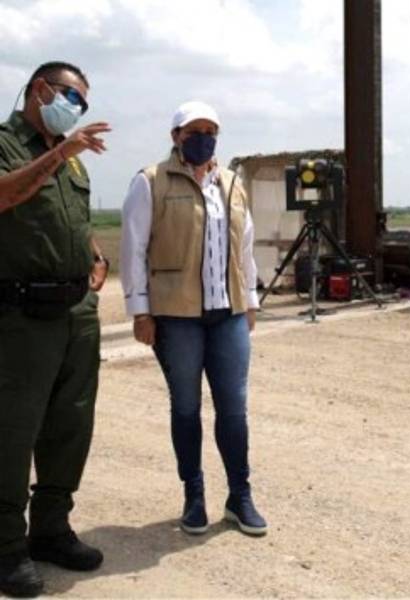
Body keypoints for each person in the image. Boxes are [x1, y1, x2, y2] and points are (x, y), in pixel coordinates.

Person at [120, 101, 266, 537]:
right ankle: (194, 496)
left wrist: (251, 301)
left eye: (210, 129)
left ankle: (240, 497)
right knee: (185, 407)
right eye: (194, 130)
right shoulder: (151, 182)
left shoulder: (232, 183)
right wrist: (140, 311)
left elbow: (244, 249)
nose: (203, 137)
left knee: (234, 410)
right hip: (176, 315)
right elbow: (133, 250)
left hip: (229, 314)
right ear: (176, 137)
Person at [0, 61, 111, 597]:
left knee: (70, 428)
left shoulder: (72, 165)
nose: (77, 110)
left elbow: (74, 220)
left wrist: (95, 257)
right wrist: (59, 153)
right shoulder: (9, 145)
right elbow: (3, 196)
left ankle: (50, 530)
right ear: (39, 89)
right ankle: (4, 548)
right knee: (12, 434)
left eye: (84, 104)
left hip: (76, 315)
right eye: (72, 96)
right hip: (20, 319)